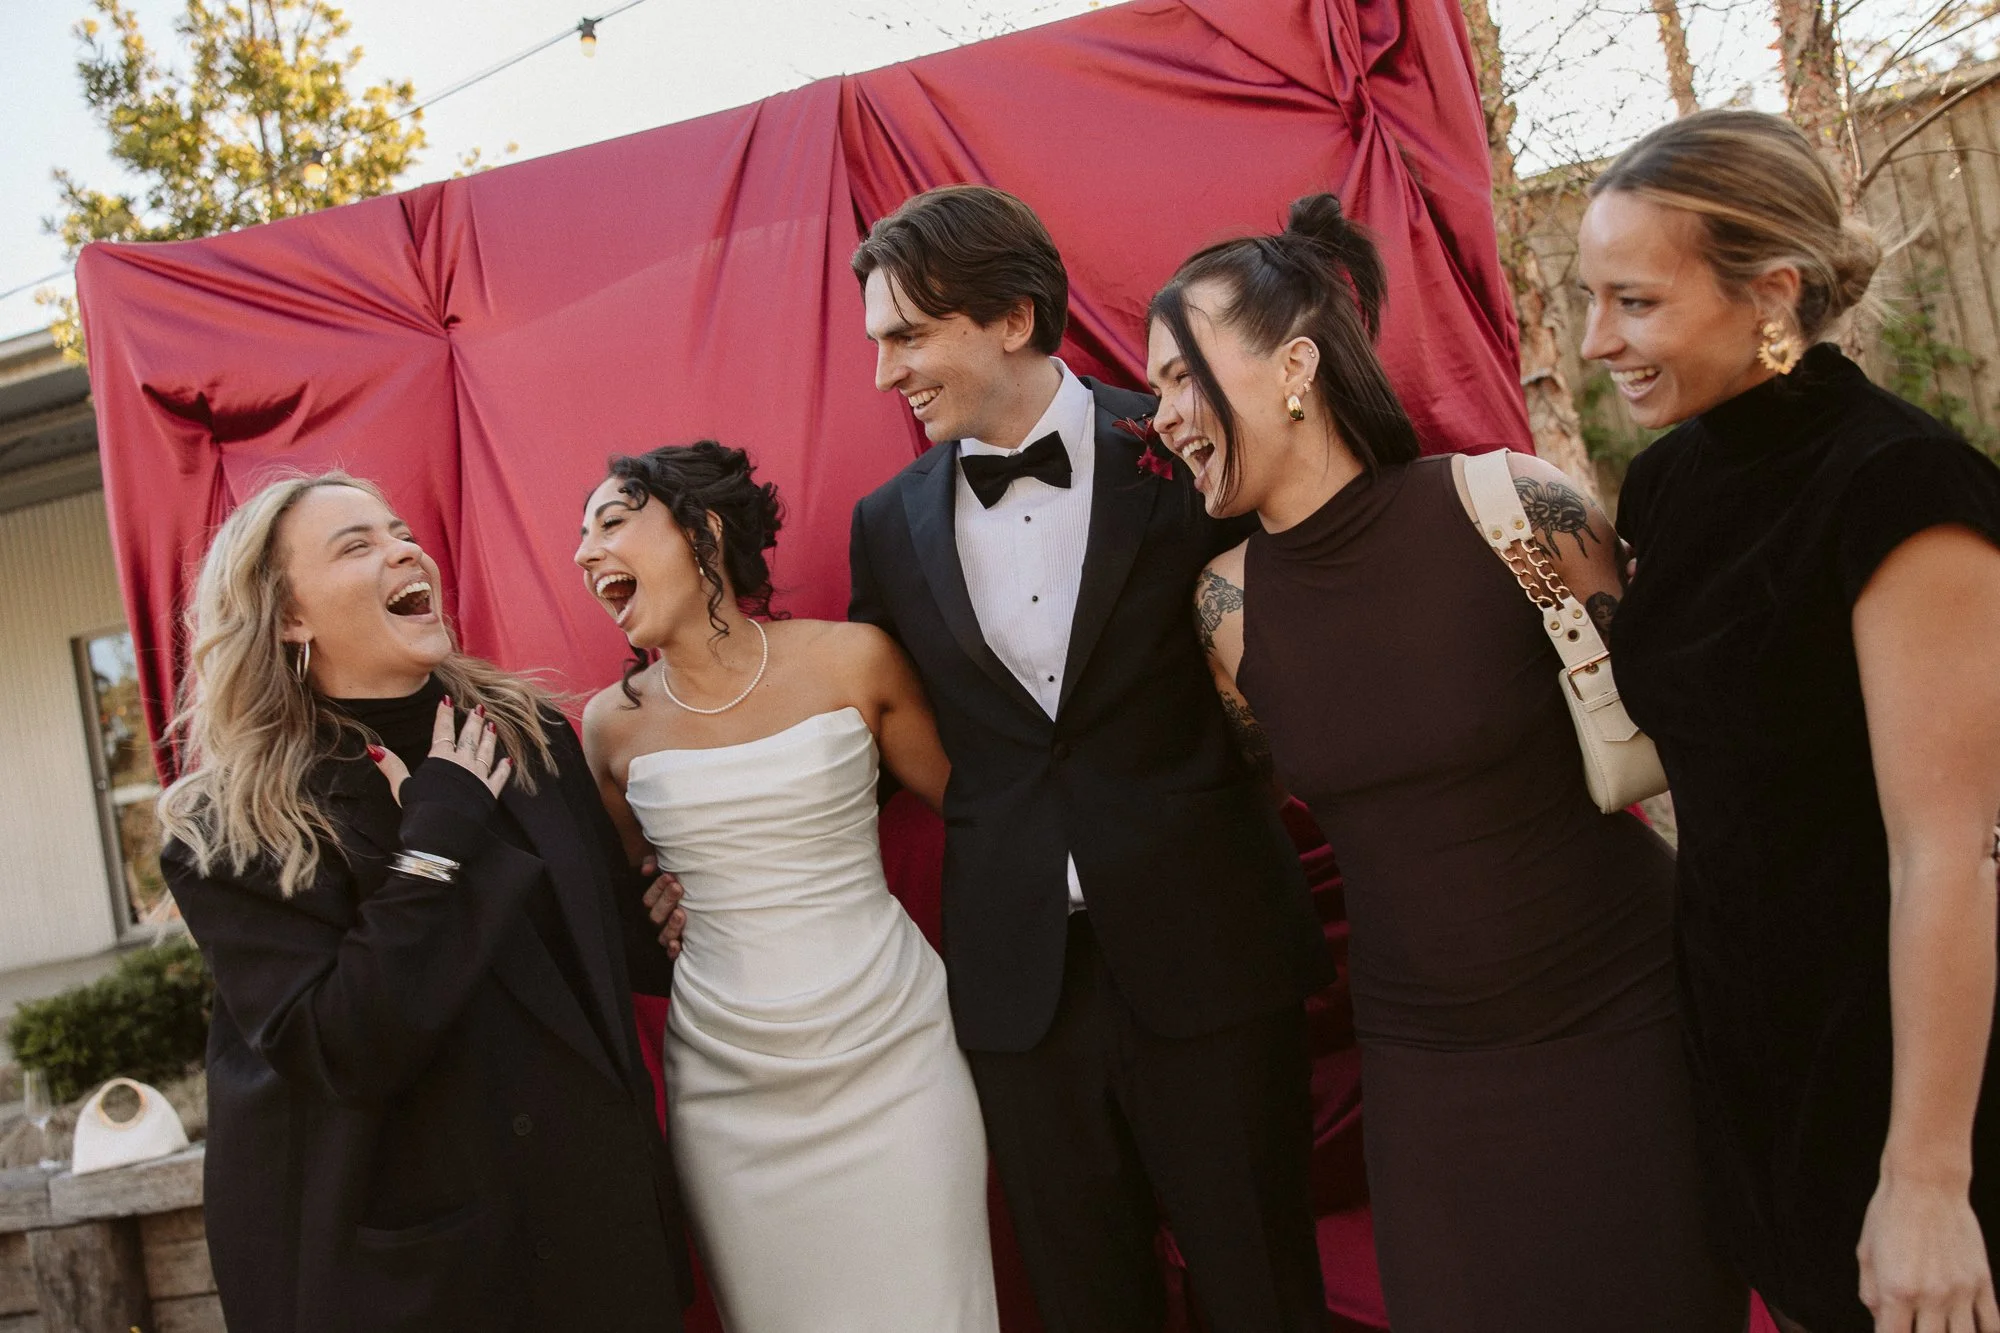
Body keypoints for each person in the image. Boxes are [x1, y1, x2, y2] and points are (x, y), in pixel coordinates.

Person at [1155, 193, 1746, 1331]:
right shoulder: (1223, 610)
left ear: (1292, 367)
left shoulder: (1513, 508)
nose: (1164, 411)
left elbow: (1698, 738)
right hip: (1424, 1070)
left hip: (1625, 1026)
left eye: (1182, 373)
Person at [847, 183, 1334, 1333]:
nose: (884, 373)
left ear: (1009, 317)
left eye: (906, 336)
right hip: (1021, 995)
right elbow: (873, 733)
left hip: (1212, 956)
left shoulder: (1181, 445)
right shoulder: (884, 522)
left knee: (1262, 1292)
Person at [1578, 109, 2000, 1333]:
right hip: (1745, 1037)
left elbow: (1950, 852)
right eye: (1590, 298)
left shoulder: (1899, 486)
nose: (1596, 339)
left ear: (1768, 293)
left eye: (1635, 302)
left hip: (1899, 1059)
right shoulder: (1666, 480)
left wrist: (1926, 1175)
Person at [156, 472, 689, 1333]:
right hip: (433, 1275)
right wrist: (437, 835)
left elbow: (599, 949)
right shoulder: (232, 824)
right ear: (290, 616)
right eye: (356, 544)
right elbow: (344, 1048)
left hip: (600, 1233)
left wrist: (668, 911)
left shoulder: (531, 731)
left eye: (399, 531)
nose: (405, 549)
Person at [573, 441, 999, 1333]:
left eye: (612, 522)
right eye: (582, 538)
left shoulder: (856, 659)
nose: (585, 553)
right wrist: (652, 909)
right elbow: (614, 903)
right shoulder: (610, 726)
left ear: (705, 530)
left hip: (896, 1054)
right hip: (731, 1091)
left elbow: (983, 816)